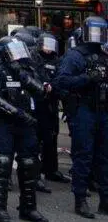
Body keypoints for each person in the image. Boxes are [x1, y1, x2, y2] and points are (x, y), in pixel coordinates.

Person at [0, 35, 49, 222]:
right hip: (5, 123)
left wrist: (24, 75)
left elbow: (40, 91)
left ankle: (28, 207)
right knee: (3, 164)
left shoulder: (26, 70)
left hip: (26, 125)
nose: (17, 56)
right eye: (13, 53)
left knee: (29, 164)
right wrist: (19, 114)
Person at [54, 16, 108, 219]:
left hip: (103, 110)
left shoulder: (104, 54)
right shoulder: (76, 56)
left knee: (104, 157)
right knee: (83, 155)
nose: (97, 36)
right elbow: (61, 82)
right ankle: (80, 199)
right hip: (84, 109)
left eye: (100, 31)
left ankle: (105, 200)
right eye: (94, 31)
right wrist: (88, 78)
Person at [35, 31, 68, 189]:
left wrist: (54, 86)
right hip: (39, 103)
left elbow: (61, 76)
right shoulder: (36, 58)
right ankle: (37, 171)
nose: (48, 48)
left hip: (52, 103)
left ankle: (51, 169)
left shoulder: (56, 60)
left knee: (52, 137)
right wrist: (43, 84)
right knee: (37, 138)